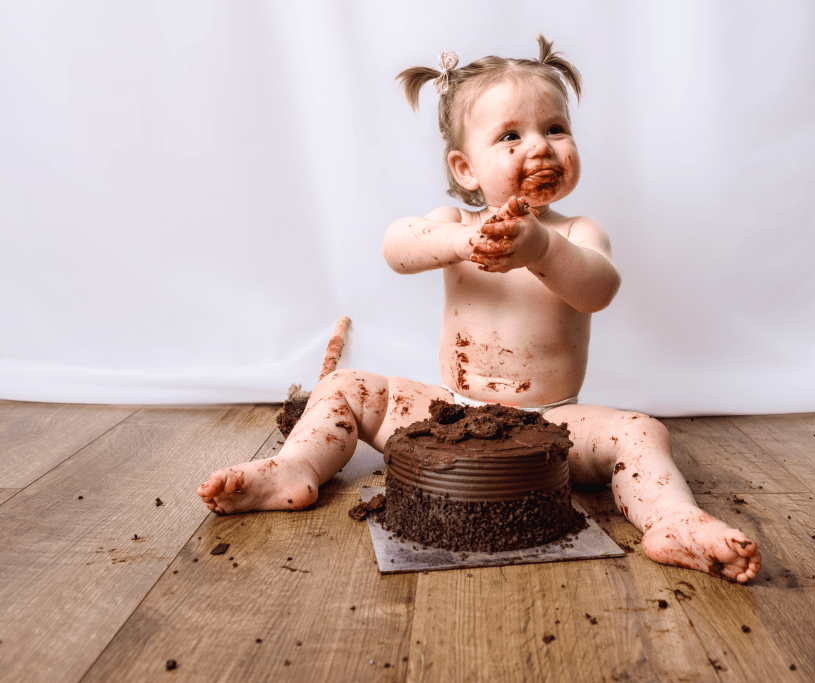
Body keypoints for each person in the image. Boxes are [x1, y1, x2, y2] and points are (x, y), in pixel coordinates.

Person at [197, 36, 761, 583]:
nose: (540, 146)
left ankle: (671, 520)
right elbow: (397, 246)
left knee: (641, 432)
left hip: (554, 418)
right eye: (511, 135)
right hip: (450, 412)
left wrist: (541, 250)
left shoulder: (575, 233)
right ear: (466, 169)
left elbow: (598, 289)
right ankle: (294, 470)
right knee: (346, 387)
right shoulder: (456, 226)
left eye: (556, 128)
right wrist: (461, 244)